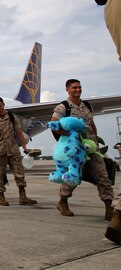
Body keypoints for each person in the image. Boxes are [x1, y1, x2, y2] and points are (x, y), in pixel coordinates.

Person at [51, 79, 114, 219]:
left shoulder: (87, 105)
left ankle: (109, 207)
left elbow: (91, 124)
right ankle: (63, 201)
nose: (78, 90)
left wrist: (96, 141)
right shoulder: (63, 107)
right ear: (68, 89)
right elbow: (54, 125)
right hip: (75, 149)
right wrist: (69, 136)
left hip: (91, 148)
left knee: (103, 176)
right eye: (74, 87)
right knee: (74, 176)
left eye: (79, 87)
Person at [0, 98, 36, 207]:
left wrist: (24, 147)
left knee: (19, 173)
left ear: (3, 105)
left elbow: (19, 133)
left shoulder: (12, 118)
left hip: (13, 150)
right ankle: (1, 197)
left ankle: (23, 197)